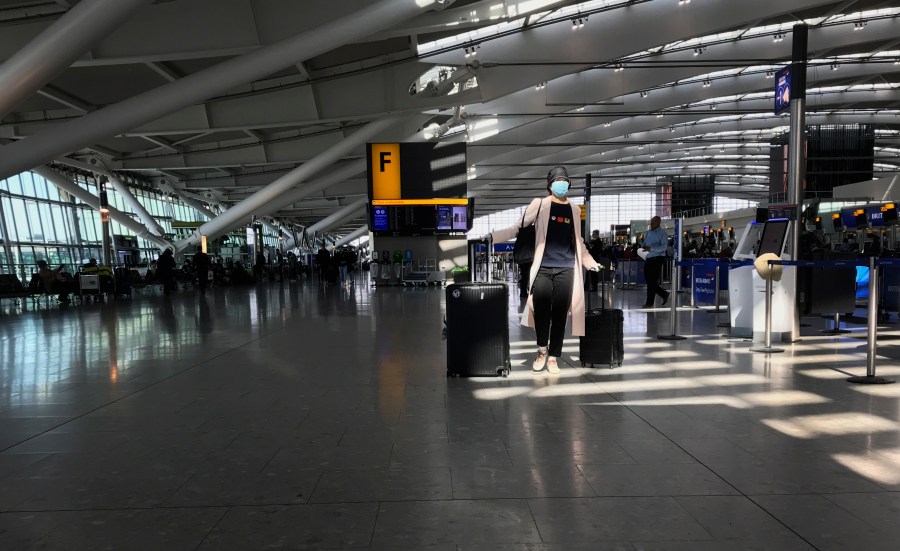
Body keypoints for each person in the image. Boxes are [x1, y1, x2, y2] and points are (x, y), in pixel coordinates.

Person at [491, 166, 600, 374]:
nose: (562, 184)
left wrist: (589, 262)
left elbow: (578, 241)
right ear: (550, 185)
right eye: (558, 180)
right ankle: (542, 350)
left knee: (560, 314)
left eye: (565, 180)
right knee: (541, 312)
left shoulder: (575, 210)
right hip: (542, 267)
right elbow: (518, 227)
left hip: (566, 268)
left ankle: (553, 357)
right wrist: (493, 237)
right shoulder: (540, 204)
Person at [641, 215, 670, 308]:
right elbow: (645, 243)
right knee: (649, 281)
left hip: (657, 259)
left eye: (653, 222)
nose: (651, 223)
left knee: (652, 281)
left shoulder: (662, 233)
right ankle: (664, 294)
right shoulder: (649, 232)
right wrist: (643, 246)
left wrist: (652, 248)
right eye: (651, 221)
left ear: (658, 222)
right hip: (648, 258)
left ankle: (649, 302)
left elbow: (664, 248)